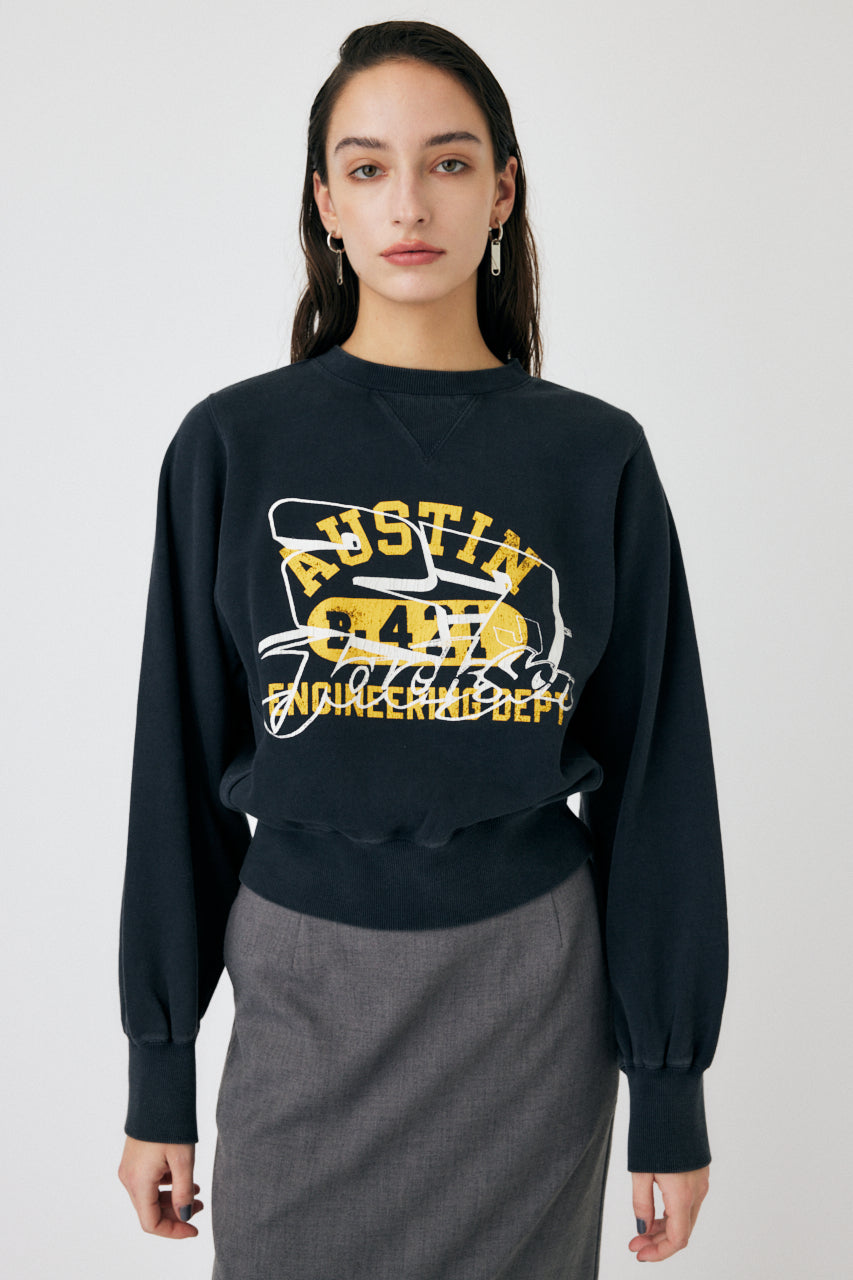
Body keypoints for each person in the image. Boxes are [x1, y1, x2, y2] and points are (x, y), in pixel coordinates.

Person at [116, 19, 728, 1278]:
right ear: (325, 203)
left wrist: (668, 1088)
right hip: (301, 980)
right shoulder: (231, 445)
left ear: (502, 192)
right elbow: (174, 768)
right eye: (368, 166)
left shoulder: (593, 455)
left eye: (449, 162)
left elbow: (658, 778)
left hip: (529, 994)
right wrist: (159, 1068)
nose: (408, 202)